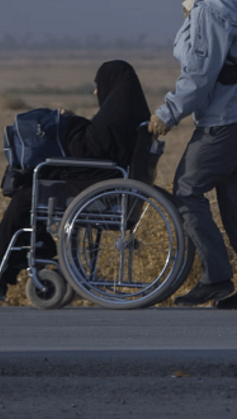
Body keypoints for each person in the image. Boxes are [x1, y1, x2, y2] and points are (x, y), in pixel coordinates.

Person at [148, 0, 237, 310]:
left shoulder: (208, 14)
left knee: (186, 190)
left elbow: (200, 77)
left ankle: (216, 277)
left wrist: (166, 113)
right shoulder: (215, 10)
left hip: (226, 123)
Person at [0, 60, 150, 302]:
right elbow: (94, 144)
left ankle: (24, 258)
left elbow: (86, 149)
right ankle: (36, 250)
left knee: (23, 197)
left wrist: (68, 125)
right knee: (27, 190)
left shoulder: (113, 118)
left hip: (94, 191)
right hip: (100, 186)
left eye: (98, 85)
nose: (95, 91)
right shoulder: (127, 113)